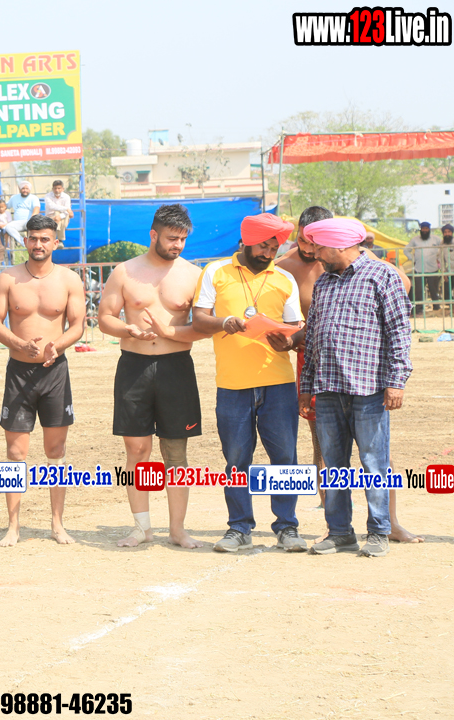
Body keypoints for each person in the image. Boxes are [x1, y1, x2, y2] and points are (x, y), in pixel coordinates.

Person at [275, 206, 413, 527]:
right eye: (305, 242)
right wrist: (304, 379)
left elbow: (399, 318)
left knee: (375, 456)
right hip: (322, 375)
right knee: (329, 454)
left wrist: (396, 379)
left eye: (318, 245)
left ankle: (384, 526)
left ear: (337, 243)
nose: (312, 251)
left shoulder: (374, 269)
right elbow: (308, 330)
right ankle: (337, 529)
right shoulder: (303, 274)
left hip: (366, 378)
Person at [191, 213, 307, 553]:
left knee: (284, 458)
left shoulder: (284, 278)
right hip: (232, 384)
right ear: (246, 241)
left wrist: (290, 341)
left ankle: (287, 527)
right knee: (236, 460)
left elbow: (297, 328)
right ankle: (239, 528)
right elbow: (198, 320)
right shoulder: (215, 271)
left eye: (274, 247)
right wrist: (223, 322)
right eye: (264, 246)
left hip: (279, 382)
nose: (269, 252)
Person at [98, 204, 207, 548]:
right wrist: (127, 329)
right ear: (153, 235)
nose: (178, 245)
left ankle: (177, 530)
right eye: (172, 238)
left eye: (183, 239)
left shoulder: (194, 275)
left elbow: (202, 328)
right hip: (134, 367)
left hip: (177, 368)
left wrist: (170, 332)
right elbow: (104, 318)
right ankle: (141, 527)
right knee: (137, 449)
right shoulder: (124, 272)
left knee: (175, 452)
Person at [0, 215, 86, 546]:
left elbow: (78, 325)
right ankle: (13, 526)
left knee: (55, 450)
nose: (38, 244)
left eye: (45, 239)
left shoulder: (69, 280)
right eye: (33, 238)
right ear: (25, 241)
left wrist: (56, 346)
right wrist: (19, 344)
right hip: (19, 372)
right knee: (16, 452)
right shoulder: (8, 278)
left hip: (55, 373)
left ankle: (57, 524)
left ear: (55, 242)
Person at [405, 221, 441, 312]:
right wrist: (413, 259)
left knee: (434, 289)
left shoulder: (436, 239)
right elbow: (406, 250)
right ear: (420, 229)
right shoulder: (415, 240)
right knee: (419, 290)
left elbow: (443, 248)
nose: (424, 230)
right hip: (419, 269)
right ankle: (419, 310)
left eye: (426, 228)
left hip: (433, 268)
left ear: (429, 229)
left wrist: (439, 258)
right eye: (423, 228)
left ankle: (436, 308)